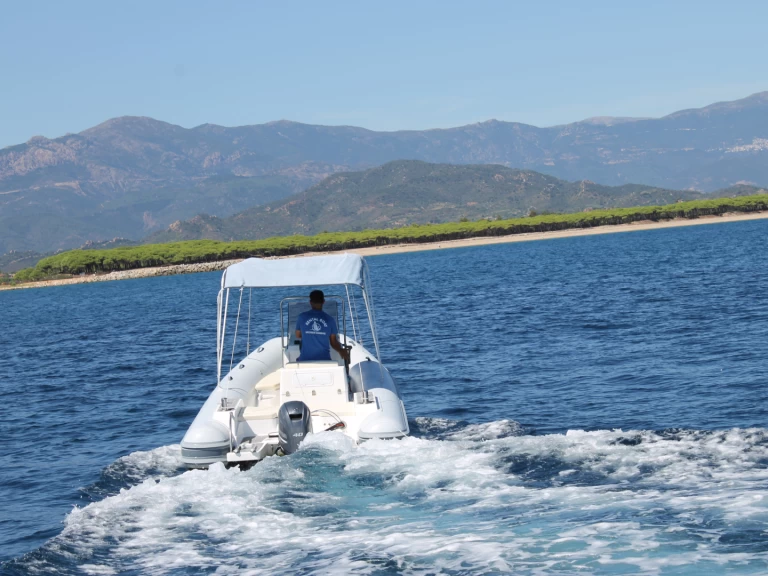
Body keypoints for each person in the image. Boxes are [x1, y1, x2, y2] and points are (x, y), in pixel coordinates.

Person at [295, 290, 349, 362]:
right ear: (323, 301)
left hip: (305, 360)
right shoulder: (330, 320)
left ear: (310, 302)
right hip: (325, 360)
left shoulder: (301, 317)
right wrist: (341, 350)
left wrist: (309, 333)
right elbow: (333, 343)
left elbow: (298, 335)